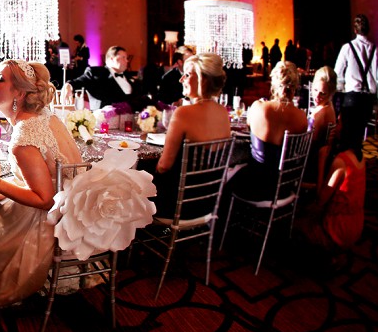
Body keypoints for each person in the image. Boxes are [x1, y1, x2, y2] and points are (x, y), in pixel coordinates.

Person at [0, 59, 83, 306]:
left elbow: (44, 200)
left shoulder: (24, 136)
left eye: (0, 79)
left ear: (19, 93)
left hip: (48, 217)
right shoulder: (44, 116)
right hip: (70, 204)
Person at [152, 53, 231, 217]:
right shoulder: (223, 112)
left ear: (204, 80)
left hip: (177, 204)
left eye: (187, 75)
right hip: (209, 200)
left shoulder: (183, 113)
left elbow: (164, 166)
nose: (181, 80)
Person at [226, 61, 309, 202]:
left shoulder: (258, 107)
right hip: (284, 185)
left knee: (226, 176)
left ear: (273, 84)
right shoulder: (301, 117)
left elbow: (248, 127)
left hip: (255, 184)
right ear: (295, 86)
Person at [300, 109, 366, 258]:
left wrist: (322, 160)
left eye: (339, 123)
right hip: (356, 224)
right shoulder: (360, 157)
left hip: (339, 229)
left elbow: (321, 199)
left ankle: (328, 255)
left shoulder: (342, 161)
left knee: (295, 229)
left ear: (347, 129)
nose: (336, 126)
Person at [334, 13, 378, 139]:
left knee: (347, 136)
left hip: (351, 98)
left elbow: (337, 74)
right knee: (359, 136)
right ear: (368, 30)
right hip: (367, 101)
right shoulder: (376, 50)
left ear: (355, 30)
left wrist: (339, 91)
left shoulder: (347, 48)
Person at [62, 45, 147, 110]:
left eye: (127, 58)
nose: (127, 61)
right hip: (104, 123)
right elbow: (79, 81)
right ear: (111, 59)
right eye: (123, 57)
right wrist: (68, 85)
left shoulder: (129, 78)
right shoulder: (97, 73)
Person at [306, 66, 337, 187]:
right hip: (314, 161)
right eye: (315, 90)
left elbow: (308, 144)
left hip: (309, 167)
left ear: (330, 93)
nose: (317, 96)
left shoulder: (322, 113)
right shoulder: (328, 106)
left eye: (322, 94)